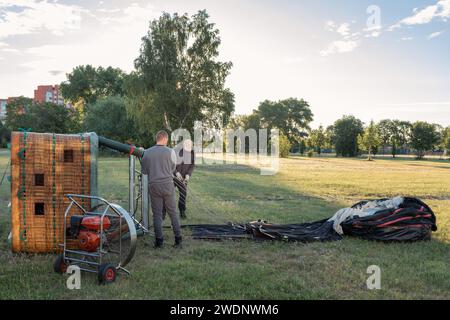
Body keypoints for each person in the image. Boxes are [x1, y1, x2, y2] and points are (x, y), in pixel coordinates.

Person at [141, 130, 182, 249]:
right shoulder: (171, 152)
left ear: (156, 138)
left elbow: (144, 171)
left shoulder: (147, 153)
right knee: (173, 212)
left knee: (157, 214)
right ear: (164, 139)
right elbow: (173, 167)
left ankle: (159, 241)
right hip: (168, 184)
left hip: (154, 185)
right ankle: (178, 239)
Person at [174, 139, 195, 219]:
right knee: (168, 195)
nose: (189, 147)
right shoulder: (176, 152)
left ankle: (182, 211)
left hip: (184, 179)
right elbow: (171, 164)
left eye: (190, 145)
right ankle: (163, 212)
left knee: (183, 195)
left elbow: (192, 165)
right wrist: (176, 172)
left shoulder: (192, 154)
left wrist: (188, 175)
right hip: (173, 177)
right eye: (187, 145)